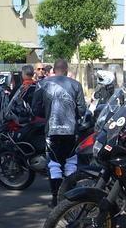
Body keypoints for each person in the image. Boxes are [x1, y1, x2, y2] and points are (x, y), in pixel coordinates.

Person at [31, 58, 87, 208]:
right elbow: (82, 110)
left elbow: (35, 108)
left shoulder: (42, 84)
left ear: (53, 70)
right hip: (71, 131)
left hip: (52, 130)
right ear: (67, 70)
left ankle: (55, 199)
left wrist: (47, 113)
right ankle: (70, 199)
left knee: (54, 165)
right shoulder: (76, 85)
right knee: (71, 164)